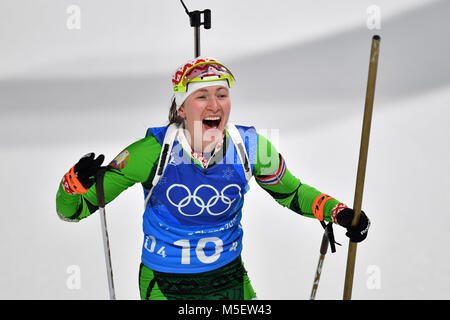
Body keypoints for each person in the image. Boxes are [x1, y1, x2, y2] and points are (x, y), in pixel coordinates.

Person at [56, 57, 370, 300]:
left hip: (228, 276)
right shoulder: (151, 152)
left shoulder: (251, 146)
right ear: (181, 108)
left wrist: (338, 212)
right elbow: (72, 210)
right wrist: (73, 184)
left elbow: (292, 192)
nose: (215, 104)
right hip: (167, 281)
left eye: (222, 94)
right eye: (201, 96)